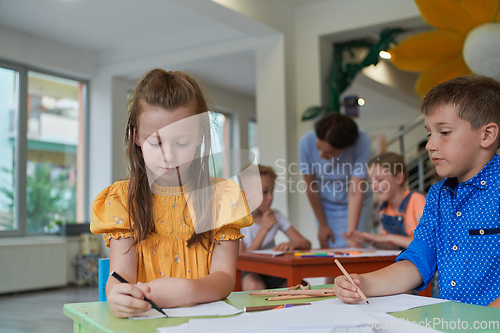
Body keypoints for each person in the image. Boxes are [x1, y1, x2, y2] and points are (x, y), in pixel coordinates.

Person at [90, 69, 253, 318]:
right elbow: (121, 275)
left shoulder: (223, 196)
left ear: (199, 136)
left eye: (182, 143)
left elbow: (224, 279)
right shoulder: (121, 199)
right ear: (136, 136)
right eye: (155, 143)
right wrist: (117, 294)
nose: (168, 156)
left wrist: (188, 291)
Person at [334, 75, 500, 308]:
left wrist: (483, 322)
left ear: (487, 135)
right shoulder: (437, 195)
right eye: (428, 133)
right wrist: (363, 283)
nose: (431, 145)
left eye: (444, 132)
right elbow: (417, 262)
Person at [299, 113, 373, 249]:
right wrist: (322, 224)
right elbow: (311, 187)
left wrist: (352, 235)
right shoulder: (306, 142)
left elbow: (355, 191)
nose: (321, 155)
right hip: (325, 204)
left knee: (355, 245)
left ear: (345, 148)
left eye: (329, 153)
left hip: (356, 203)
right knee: (329, 246)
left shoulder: (362, 140)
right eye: (318, 147)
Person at [239, 165, 311, 291]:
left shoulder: (275, 215)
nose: (271, 197)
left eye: (272, 191)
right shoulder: (237, 220)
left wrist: (293, 244)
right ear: (246, 194)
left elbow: (306, 243)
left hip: (273, 269)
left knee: (302, 286)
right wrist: (264, 229)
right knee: (254, 285)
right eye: (264, 192)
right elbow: (241, 257)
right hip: (249, 271)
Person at [348, 152, 426, 249]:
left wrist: (389, 237)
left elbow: (425, 244)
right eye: (371, 181)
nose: (374, 186)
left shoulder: (417, 199)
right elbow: (393, 247)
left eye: (380, 180)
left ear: (399, 178)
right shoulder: (384, 208)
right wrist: (371, 240)